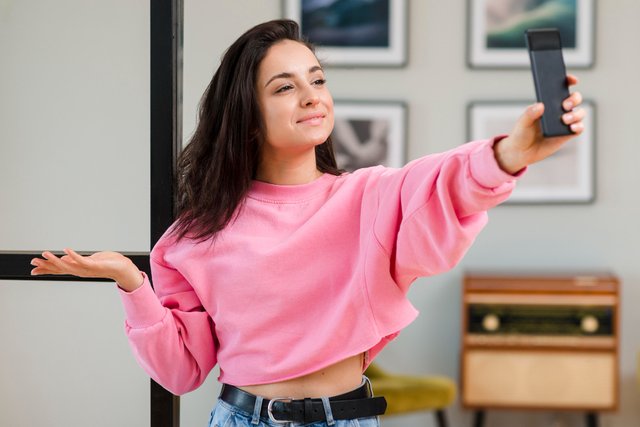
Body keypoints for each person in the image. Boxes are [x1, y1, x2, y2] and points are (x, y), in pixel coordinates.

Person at [30, 19, 585, 427]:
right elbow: (181, 372)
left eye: (316, 79)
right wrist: (133, 283)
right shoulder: (197, 235)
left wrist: (512, 153)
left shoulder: (367, 197)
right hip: (243, 419)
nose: (311, 96)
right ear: (248, 117)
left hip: (347, 418)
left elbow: (445, 182)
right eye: (284, 86)